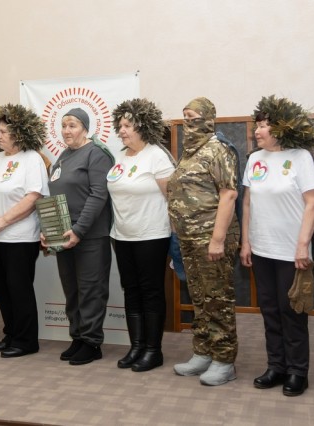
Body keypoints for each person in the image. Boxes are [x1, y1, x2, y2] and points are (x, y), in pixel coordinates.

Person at [240, 96, 314, 396]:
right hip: (261, 249)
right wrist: (246, 242)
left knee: (292, 311)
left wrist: (302, 245)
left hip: (291, 251)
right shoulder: (254, 159)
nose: (257, 130)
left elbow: (313, 202)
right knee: (270, 310)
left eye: (264, 125)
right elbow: (247, 203)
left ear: (282, 127)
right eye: (257, 125)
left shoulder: (300, 157)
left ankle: (298, 371)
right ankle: (276, 366)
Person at [167, 97, 240, 386]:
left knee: (217, 299)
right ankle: (203, 352)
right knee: (199, 298)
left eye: (193, 116)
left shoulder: (219, 149)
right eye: (184, 116)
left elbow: (229, 194)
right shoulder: (188, 153)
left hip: (212, 238)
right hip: (188, 238)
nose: (188, 122)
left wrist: (218, 239)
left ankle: (224, 360)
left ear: (208, 118)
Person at [0, 103, 49, 358]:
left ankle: (26, 340)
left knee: (19, 288)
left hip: (19, 237)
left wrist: (3, 221)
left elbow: (33, 197)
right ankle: (12, 333)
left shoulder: (32, 158)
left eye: (4, 131)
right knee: (2, 290)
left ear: (19, 133)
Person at [107, 99, 175, 372]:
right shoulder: (121, 157)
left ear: (143, 127)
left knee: (151, 291)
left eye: (128, 126)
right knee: (131, 290)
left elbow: (172, 198)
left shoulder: (156, 156)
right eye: (120, 125)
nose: (122, 130)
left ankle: (153, 350)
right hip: (122, 236)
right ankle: (136, 346)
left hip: (151, 235)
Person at [45, 108, 113, 365]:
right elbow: (54, 196)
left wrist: (79, 230)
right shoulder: (63, 156)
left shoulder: (96, 154)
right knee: (72, 290)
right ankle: (78, 337)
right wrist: (49, 230)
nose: (66, 130)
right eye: (63, 126)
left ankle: (92, 342)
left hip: (90, 236)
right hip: (64, 235)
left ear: (85, 128)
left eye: (72, 125)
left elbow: (98, 195)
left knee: (91, 290)